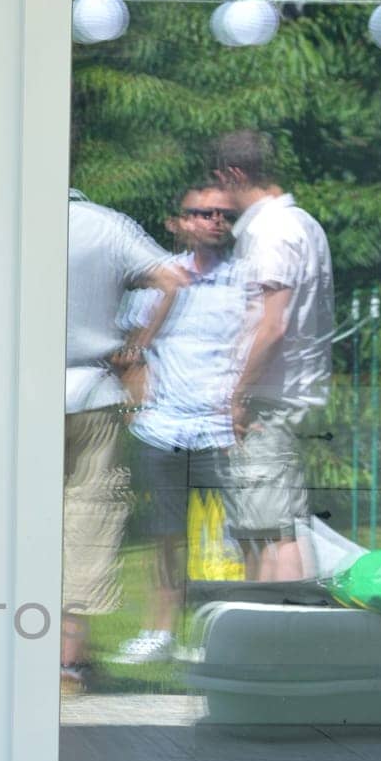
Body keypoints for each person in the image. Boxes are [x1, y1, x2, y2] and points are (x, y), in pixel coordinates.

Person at [112, 185, 249, 664]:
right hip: (163, 430)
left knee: (236, 539)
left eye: (223, 214)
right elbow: (128, 353)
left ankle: (225, 635)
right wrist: (136, 409)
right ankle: (161, 634)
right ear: (178, 223)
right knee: (165, 539)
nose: (214, 220)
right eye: (201, 213)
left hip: (221, 433)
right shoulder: (159, 284)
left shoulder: (246, 283)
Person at [62, 190, 186, 692]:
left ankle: (18, 653)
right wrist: (138, 344)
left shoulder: (10, 212)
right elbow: (171, 279)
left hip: (17, 394)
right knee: (87, 520)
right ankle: (68, 661)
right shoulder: (106, 225)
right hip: (92, 390)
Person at [209, 130, 335, 581]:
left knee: (267, 532)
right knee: (278, 523)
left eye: (219, 182)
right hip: (287, 395)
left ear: (234, 174)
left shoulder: (270, 231)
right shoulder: (302, 223)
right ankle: (279, 627)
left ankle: (271, 631)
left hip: (266, 399)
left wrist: (238, 397)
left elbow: (272, 323)